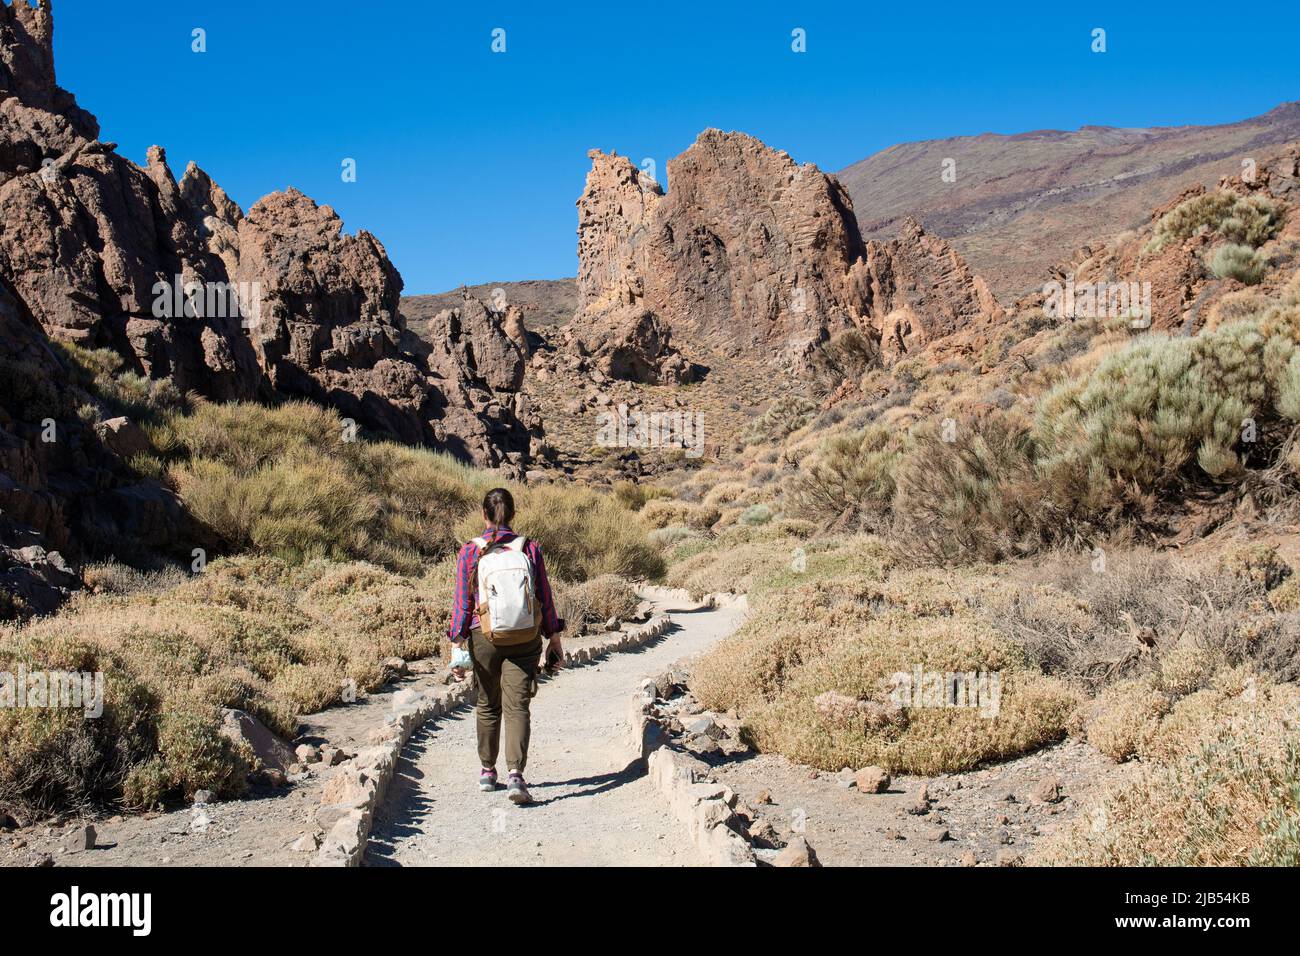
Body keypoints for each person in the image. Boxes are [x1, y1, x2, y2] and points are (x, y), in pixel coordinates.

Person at [448, 488, 564, 804]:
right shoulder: (530, 549)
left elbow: (462, 604)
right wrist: (553, 636)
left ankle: (487, 771)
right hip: (525, 636)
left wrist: (457, 645)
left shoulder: (470, 551)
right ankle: (516, 775)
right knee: (518, 706)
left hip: (483, 635)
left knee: (487, 703)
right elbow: (545, 597)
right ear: (513, 515)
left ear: (484, 515)